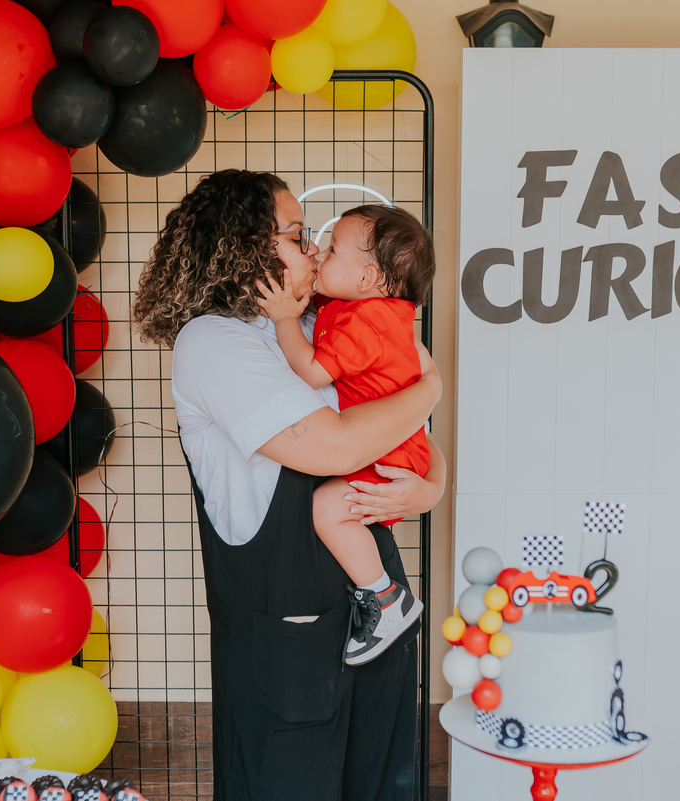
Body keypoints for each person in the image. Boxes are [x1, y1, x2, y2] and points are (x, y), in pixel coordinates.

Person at [131, 169, 445, 801]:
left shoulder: (322, 325)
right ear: (243, 244)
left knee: (381, 780)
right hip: (285, 617)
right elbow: (338, 445)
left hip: (376, 604)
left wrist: (433, 487)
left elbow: (410, 431)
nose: (313, 250)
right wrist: (433, 388)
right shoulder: (214, 341)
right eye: (298, 235)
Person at [256, 205, 436, 666]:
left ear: (367, 278)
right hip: (393, 446)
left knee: (326, 509)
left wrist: (283, 318)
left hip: (388, 456)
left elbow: (313, 371)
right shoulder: (367, 309)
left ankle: (387, 600)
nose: (319, 253)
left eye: (332, 249)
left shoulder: (366, 323)